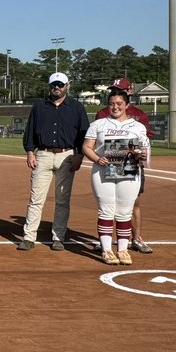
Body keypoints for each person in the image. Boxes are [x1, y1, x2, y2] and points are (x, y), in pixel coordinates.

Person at [18, 72, 89, 251]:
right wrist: (30, 152)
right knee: (36, 199)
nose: (57, 87)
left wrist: (80, 155)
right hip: (43, 154)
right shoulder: (39, 106)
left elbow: (84, 133)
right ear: (49, 86)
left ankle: (58, 237)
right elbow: (30, 130)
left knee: (62, 200)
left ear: (67, 86)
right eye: (53, 85)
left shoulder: (76, 107)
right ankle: (29, 237)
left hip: (67, 155)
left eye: (60, 84)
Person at [82, 86, 150, 265]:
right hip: (103, 171)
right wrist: (97, 159)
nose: (115, 107)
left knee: (124, 212)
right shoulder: (98, 124)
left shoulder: (138, 127)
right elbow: (86, 147)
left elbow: (144, 150)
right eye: (112, 104)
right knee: (106, 210)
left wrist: (142, 156)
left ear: (127, 105)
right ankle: (106, 250)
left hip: (129, 170)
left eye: (119, 103)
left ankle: (122, 250)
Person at [95, 78, 153, 254]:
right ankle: (106, 242)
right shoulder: (102, 114)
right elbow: (98, 142)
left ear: (129, 93)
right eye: (114, 90)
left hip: (131, 163)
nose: (116, 94)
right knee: (108, 204)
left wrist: (141, 154)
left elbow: (144, 141)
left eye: (121, 90)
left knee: (132, 203)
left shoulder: (139, 115)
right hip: (109, 163)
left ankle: (136, 238)